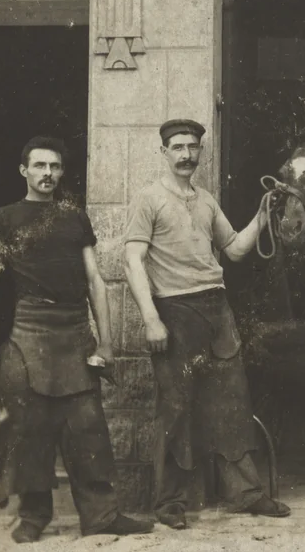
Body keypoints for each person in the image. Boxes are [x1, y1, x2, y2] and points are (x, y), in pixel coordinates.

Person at [0, 136, 153, 543]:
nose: (47, 173)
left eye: (55, 166)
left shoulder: (74, 217)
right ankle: (33, 516)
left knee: (88, 427)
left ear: (62, 172)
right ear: (24, 171)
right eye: (39, 166)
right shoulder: (4, 218)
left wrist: (106, 342)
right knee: (30, 427)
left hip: (74, 333)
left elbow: (94, 280)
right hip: (29, 331)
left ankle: (102, 514)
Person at [123, 119, 289, 529]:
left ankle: (246, 494)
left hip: (218, 310)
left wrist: (263, 215)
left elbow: (233, 249)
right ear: (164, 152)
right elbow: (131, 260)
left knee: (233, 403)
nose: (186, 155)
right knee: (176, 410)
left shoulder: (206, 200)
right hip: (175, 312)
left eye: (192, 147)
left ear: (200, 151)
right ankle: (169, 504)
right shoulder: (148, 199)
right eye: (177, 147)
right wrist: (151, 320)